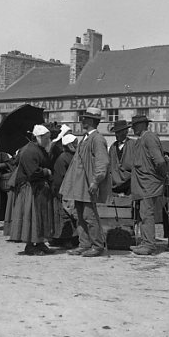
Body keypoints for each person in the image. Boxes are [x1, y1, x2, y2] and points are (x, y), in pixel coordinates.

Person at [60, 107, 111, 257]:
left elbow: (102, 163)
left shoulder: (97, 139)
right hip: (80, 184)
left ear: (92, 121)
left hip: (89, 184)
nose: (82, 120)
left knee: (89, 216)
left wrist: (96, 181)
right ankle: (84, 244)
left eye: (85, 118)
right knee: (80, 215)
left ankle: (97, 245)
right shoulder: (86, 137)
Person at [5, 124, 55, 255]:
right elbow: (32, 172)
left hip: (39, 188)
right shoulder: (28, 151)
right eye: (46, 138)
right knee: (31, 216)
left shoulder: (39, 148)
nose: (48, 141)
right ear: (38, 137)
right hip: (30, 189)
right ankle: (30, 245)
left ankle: (39, 242)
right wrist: (46, 171)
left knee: (40, 217)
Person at [127, 114, 167, 256]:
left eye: (135, 126)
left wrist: (162, 176)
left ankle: (149, 245)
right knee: (143, 214)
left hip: (149, 183)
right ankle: (145, 242)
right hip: (144, 184)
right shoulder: (141, 139)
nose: (133, 129)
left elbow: (160, 161)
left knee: (146, 214)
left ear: (143, 125)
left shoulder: (149, 137)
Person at [50, 132, 79, 249]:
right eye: (74, 143)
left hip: (71, 190)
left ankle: (70, 239)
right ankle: (66, 239)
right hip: (65, 191)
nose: (76, 145)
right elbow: (59, 178)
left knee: (69, 216)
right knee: (66, 216)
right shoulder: (63, 158)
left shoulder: (73, 156)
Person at [108, 119, 133, 194]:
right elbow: (109, 164)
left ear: (126, 132)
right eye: (116, 132)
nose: (117, 134)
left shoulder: (134, 144)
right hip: (114, 182)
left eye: (119, 132)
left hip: (130, 181)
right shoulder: (113, 147)